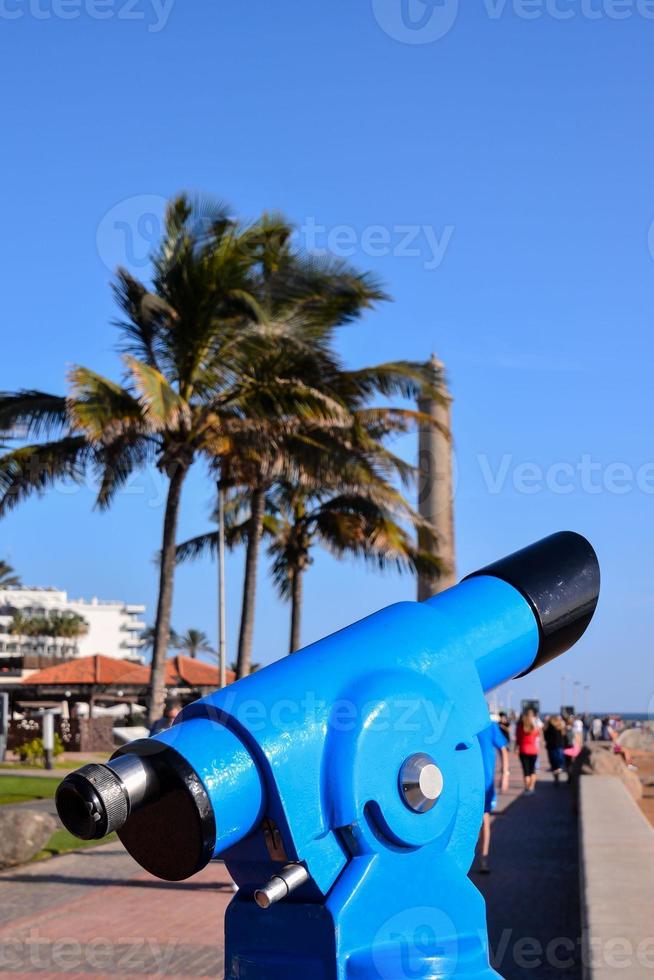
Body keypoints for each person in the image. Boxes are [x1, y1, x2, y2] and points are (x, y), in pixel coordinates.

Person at [476, 718, 510, 874]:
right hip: (466, 783)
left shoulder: (489, 726)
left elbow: (503, 748)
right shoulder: (463, 723)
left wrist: (505, 773)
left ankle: (483, 859)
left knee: (484, 820)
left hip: (485, 782)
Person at [516, 708, 540, 795]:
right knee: (532, 770)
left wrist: (516, 747)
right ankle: (531, 787)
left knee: (526, 771)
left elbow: (518, 738)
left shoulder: (520, 726)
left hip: (523, 750)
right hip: (534, 751)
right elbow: (538, 736)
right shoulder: (534, 726)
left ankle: (527, 788)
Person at [544, 715, 566, 783]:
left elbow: (546, 738)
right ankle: (558, 771)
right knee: (559, 761)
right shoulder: (560, 727)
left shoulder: (547, 728)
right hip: (559, 746)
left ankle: (556, 778)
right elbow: (564, 737)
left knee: (553, 764)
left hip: (551, 747)